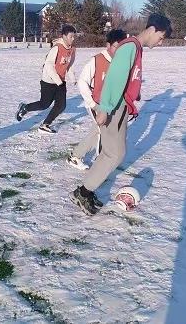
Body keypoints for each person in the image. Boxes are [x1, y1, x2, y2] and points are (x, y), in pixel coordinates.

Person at [69, 13, 172, 215]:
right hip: (112, 106)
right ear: (153, 30)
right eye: (161, 38)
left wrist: (134, 96)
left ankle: (86, 190)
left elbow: (128, 78)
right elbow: (114, 79)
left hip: (120, 105)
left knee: (113, 153)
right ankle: (83, 191)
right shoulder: (130, 47)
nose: (160, 43)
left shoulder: (135, 48)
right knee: (115, 153)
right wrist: (105, 109)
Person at [67, 28, 127, 170]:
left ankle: (78, 156)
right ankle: (93, 162)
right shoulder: (97, 60)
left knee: (100, 130)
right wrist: (92, 103)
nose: (119, 51)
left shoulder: (123, 61)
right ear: (108, 45)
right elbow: (82, 81)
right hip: (97, 104)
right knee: (101, 132)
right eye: (116, 47)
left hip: (111, 105)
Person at [16, 24, 76, 134]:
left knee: (61, 106)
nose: (73, 39)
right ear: (64, 36)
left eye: (73, 36)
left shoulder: (72, 50)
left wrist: (73, 79)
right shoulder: (57, 48)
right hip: (48, 81)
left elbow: (69, 64)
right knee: (44, 104)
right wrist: (58, 81)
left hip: (60, 82)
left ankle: (45, 125)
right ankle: (25, 108)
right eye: (70, 36)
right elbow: (48, 66)